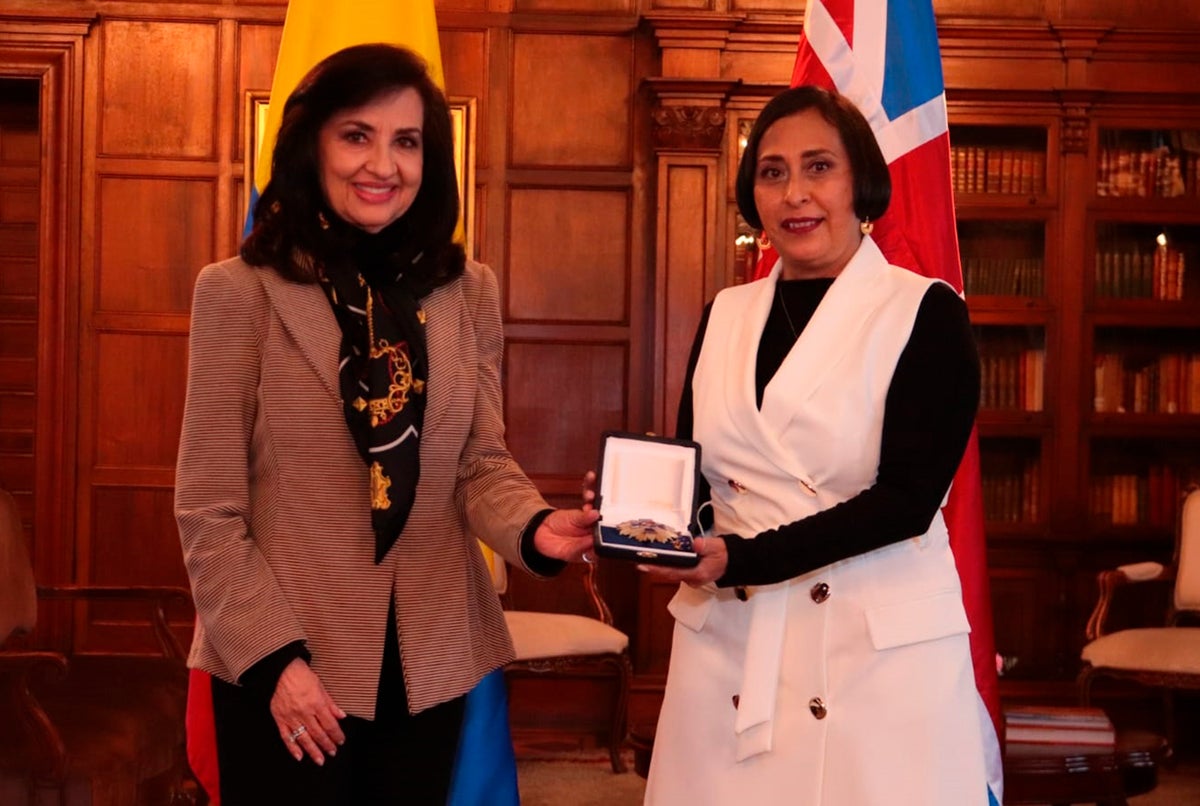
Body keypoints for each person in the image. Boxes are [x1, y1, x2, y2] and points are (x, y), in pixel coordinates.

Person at [175, 43, 597, 805]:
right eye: (356, 135)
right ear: (312, 146)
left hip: (428, 656)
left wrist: (537, 529)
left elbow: (479, 463)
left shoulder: (467, 290)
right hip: (288, 663)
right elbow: (209, 509)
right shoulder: (240, 292)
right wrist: (274, 663)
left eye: (407, 141)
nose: (383, 164)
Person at [640, 85, 989, 805]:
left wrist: (742, 558)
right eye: (772, 172)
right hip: (730, 646)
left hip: (871, 659)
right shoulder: (725, 313)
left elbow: (907, 501)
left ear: (862, 182)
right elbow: (701, 474)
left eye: (818, 167)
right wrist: (649, 517)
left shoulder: (925, 311)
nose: (795, 193)